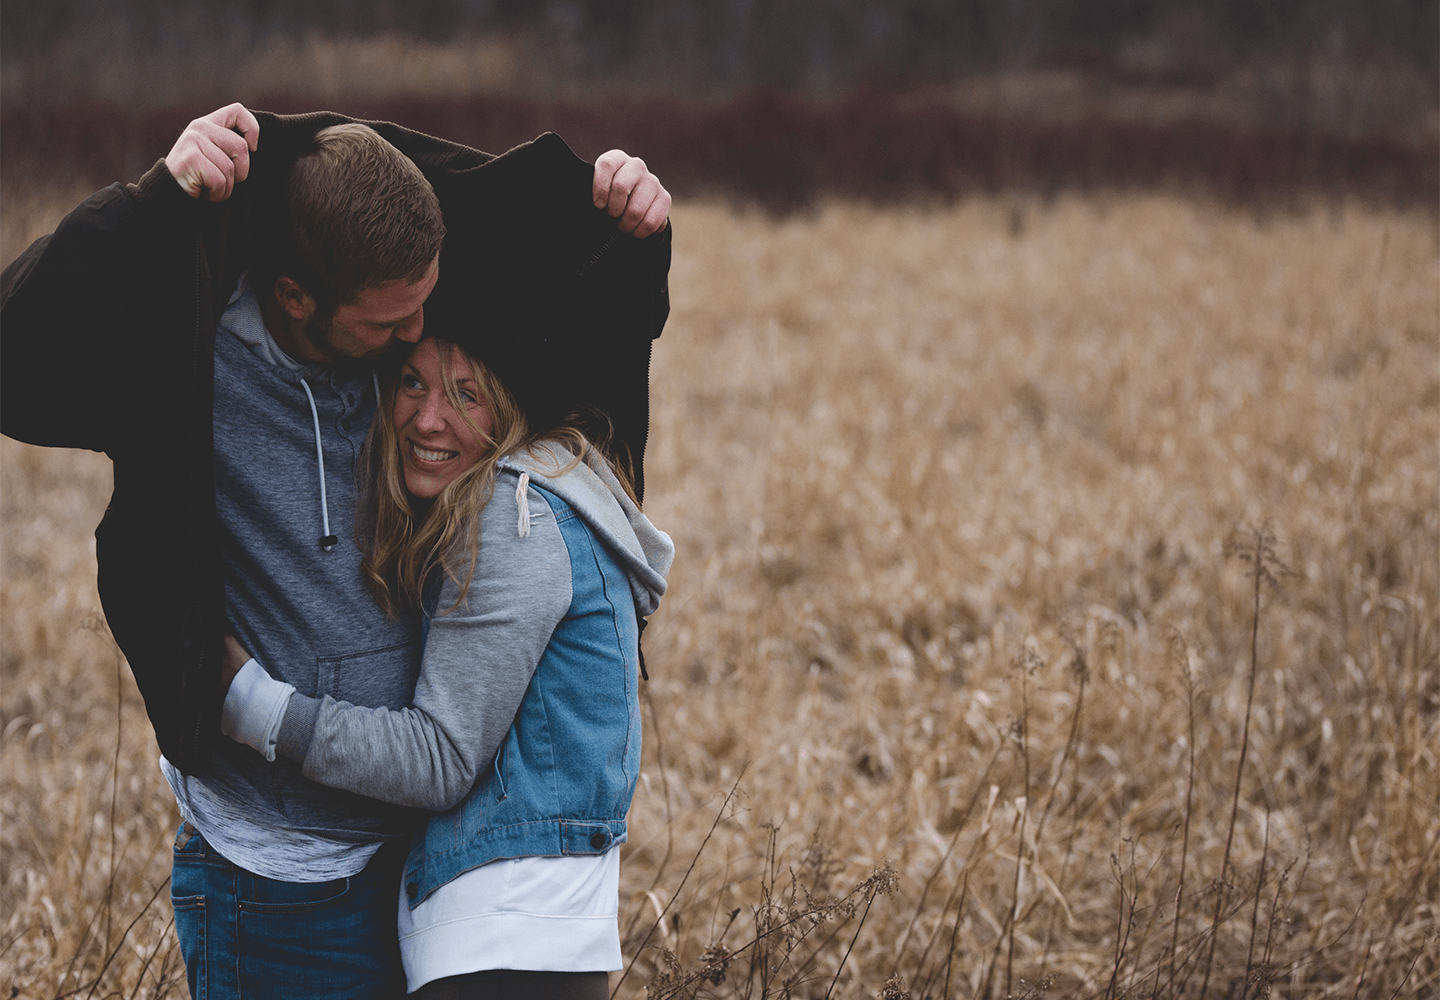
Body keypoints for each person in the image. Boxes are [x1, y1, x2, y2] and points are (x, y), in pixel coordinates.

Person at [0, 103, 672, 997]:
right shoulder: (183, 357)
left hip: (416, 872)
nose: (415, 337)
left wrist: (633, 218)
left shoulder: (399, 312)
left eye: (424, 306)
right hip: (275, 886)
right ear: (294, 300)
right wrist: (155, 198)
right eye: (389, 327)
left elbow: (570, 297)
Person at [220, 332, 672, 997]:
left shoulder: (515, 515)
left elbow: (439, 758)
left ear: (513, 407)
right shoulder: (557, 498)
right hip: (535, 938)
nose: (429, 419)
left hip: (500, 939)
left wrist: (247, 703)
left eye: (467, 395)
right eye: (411, 383)